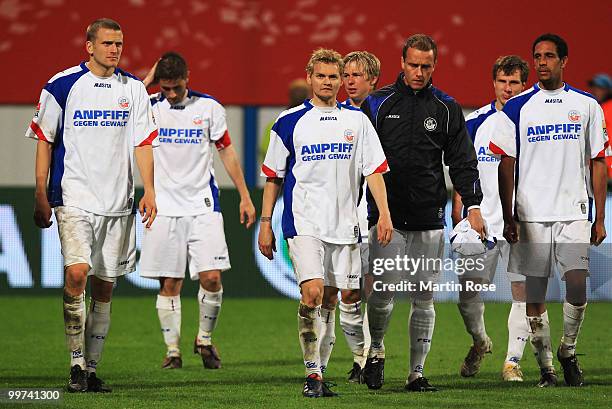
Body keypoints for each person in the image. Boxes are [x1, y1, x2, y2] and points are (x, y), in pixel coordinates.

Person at [28, 18, 158, 393]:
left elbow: (143, 142)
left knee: (104, 288)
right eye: (107, 43)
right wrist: (41, 191)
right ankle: (74, 363)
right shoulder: (62, 85)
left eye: (119, 43)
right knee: (77, 274)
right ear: (89, 46)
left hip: (118, 203)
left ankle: (91, 367)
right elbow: (44, 140)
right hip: (74, 197)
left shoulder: (133, 89)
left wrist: (149, 188)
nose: (114, 49)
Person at [257, 48, 393, 398]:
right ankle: (312, 374)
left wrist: (384, 215)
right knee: (313, 292)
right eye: (322, 76)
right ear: (310, 78)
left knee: (332, 299)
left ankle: (322, 373)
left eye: (335, 77)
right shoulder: (288, 122)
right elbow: (273, 177)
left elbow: (374, 171)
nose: (329, 82)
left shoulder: (357, 121)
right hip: (303, 222)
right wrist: (266, 221)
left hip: (345, 225)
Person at [360, 33, 484, 392]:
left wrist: (472, 205)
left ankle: (417, 372)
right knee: (382, 292)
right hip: (386, 216)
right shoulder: (377, 104)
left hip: (429, 214)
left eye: (425, 66)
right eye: (413, 65)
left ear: (434, 66)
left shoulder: (446, 107)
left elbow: (462, 161)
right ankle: (378, 351)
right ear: (402, 63)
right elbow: (362, 162)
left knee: (423, 295)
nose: (418, 72)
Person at [490, 33, 608, 387]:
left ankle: (568, 351)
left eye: (549, 56)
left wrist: (599, 217)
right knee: (535, 294)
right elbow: (505, 163)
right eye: (537, 56)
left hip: (573, 211)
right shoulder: (518, 106)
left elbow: (599, 161)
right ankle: (547, 369)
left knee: (576, 284)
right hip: (530, 216)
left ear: (564, 61)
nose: (542, 62)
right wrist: (510, 216)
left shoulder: (586, 105)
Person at [140, 52, 256, 370]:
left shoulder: (209, 108)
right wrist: (146, 83)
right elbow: (119, 106)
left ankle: (204, 339)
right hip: (163, 208)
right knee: (170, 284)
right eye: (165, 88)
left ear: (187, 78)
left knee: (213, 277)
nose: (172, 94)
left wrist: (245, 196)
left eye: (176, 87)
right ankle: (172, 350)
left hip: (203, 205)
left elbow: (228, 153)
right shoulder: (147, 107)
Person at [451, 55, 531, 381]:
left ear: (524, 85)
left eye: (514, 82)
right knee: (467, 295)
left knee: (523, 292)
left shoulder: (533, 123)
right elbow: (462, 170)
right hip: (481, 222)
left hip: (522, 222)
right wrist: (460, 210)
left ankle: (512, 361)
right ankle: (480, 341)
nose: (508, 88)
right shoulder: (474, 122)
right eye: (502, 81)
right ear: (493, 83)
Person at [339, 50, 380, 382]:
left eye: (356, 75)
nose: (349, 81)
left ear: (373, 80)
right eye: (346, 74)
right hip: (340, 219)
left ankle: (369, 358)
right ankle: (358, 356)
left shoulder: (384, 115)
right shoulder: (333, 116)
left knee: (372, 290)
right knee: (348, 294)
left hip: (374, 218)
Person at [587, 73, 612, 178]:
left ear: (608, 90)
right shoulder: (598, 107)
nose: (595, 91)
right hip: (601, 164)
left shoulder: (608, 108)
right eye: (594, 87)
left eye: (600, 88)